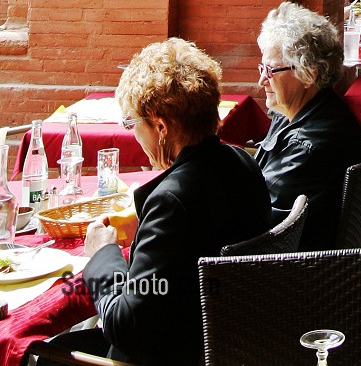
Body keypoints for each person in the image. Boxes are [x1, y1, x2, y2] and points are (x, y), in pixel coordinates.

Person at [39, 38, 272, 366]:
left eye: (133, 123)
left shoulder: (173, 203)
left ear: (161, 126)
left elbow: (127, 327)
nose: (134, 134)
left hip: (173, 352)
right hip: (227, 341)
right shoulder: (241, 162)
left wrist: (103, 254)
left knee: (34, 351)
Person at [255, 1, 361, 251]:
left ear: (309, 74)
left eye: (271, 70)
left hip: (288, 270)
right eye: (262, 67)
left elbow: (259, 223)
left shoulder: (308, 146)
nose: (262, 80)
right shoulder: (294, 112)